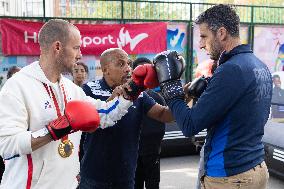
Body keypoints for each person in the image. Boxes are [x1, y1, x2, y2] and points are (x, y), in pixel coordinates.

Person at [0, 19, 135, 189]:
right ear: (58, 47)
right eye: (76, 47)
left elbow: (104, 114)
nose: (80, 55)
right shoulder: (17, 86)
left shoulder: (72, 90)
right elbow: (6, 145)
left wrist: (131, 93)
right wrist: (54, 130)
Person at [153, 4, 272, 189]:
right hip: (255, 167)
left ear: (222, 33)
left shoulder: (231, 70)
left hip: (230, 175)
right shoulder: (258, 65)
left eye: (203, 36)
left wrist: (171, 90)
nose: (200, 44)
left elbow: (190, 125)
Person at [79, 48, 174, 189]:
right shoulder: (89, 90)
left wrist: (182, 93)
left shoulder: (138, 94)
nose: (128, 69)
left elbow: (163, 115)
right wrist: (113, 100)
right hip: (93, 176)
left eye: (129, 63)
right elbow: (83, 125)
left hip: (126, 177)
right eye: (121, 64)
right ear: (105, 70)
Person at [131, 58, 166, 189]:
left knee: (153, 183)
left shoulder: (157, 97)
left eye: (147, 70)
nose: (143, 73)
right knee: (136, 183)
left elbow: (163, 120)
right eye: (140, 69)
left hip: (152, 151)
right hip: (134, 152)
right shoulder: (128, 97)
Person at [0, 66, 22, 183]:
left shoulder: (28, 98)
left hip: (22, 149)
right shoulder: (4, 96)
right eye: (15, 77)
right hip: (7, 146)